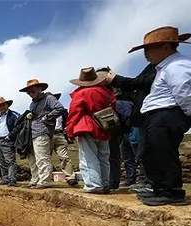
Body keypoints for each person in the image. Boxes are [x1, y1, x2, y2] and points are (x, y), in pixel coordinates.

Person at [125, 26, 191, 205]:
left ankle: (172, 191)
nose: (146, 54)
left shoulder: (178, 66)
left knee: (163, 152)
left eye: (149, 49)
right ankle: (160, 188)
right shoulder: (165, 67)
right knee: (152, 152)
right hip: (158, 115)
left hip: (167, 114)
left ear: (166, 47)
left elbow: (184, 93)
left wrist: (186, 116)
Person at [65, 67, 115, 193]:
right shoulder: (106, 92)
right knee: (104, 156)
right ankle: (105, 183)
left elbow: (74, 113)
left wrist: (70, 130)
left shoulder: (81, 94)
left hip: (86, 126)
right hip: (104, 126)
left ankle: (93, 184)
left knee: (88, 157)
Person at [107, 63, 155, 193]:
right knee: (127, 156)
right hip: (124, 130)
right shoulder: (113, 95)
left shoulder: (123, 94)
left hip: (133, 126)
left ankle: (144, 180)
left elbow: (129, 109)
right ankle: (131, 179)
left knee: (139, 152)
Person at [19, 79, 66, 189]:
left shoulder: (48, 98)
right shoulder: (32, 104)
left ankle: (45, 180)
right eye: (28, 92)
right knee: (36, 158)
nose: (30, 93)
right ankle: (38, 179)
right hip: (33, 133)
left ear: (40, 88)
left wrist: (47, 117)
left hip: (43, 131)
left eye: (32, 90)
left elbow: (59, 108)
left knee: (42, 157)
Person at [48, 93, 77, 186]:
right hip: (47, 135)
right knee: (45, 157)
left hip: (60, 134)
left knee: (64, 156)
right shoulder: (44, 111)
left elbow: (68, 122)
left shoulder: (63, 111)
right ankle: (46, 178)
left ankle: (70, 177)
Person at [0, 97, 21, 186]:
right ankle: (5, 178)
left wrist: (10, 135)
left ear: (6, 105)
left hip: (7, 140)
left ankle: (12, 179)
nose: (0, 108)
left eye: (2, 105)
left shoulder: (13, 115)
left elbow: (18, 126)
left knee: (10, 160)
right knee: (1, 161)